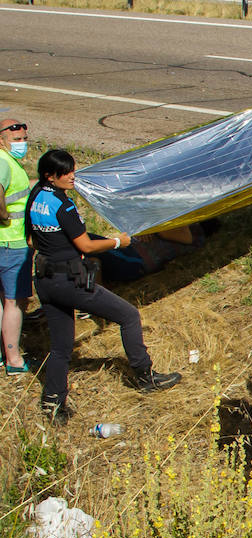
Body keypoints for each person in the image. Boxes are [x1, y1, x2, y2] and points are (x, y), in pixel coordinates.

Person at [25, 149, 181, 425]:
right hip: (69, 281)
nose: (73, 176)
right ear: (51, 176)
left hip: (45, 279)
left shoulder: (36, 196)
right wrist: (117, 242)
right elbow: (86, 245)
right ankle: (145, 376)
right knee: (129, 316)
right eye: (67, 172)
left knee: (61, 346)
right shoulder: (64, 206)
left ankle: (53, 401)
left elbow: (31, 241)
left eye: (73, 169)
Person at [0, 118, 31, 374]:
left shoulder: (8, 161)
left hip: (6, 241)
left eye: (23, 139)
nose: (22, 144)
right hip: (11, 242)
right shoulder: (3, 161)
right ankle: (14, 360)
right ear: (2, 140)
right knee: (14, 302)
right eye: (16, 140)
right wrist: (3, 215)